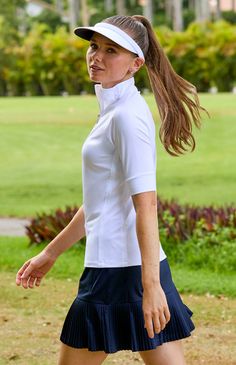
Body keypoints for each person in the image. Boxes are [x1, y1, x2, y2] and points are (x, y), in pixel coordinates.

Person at [16, 15, 205, 365]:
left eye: (110, 50)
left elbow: (145, 205)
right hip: (130, 268)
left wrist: (150, 287)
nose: (96, 57)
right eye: (93, 47)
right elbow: (101, 202)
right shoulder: (115, 111)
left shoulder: (126, 118)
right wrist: (51, 253)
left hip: (119, 271)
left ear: (135, 64)